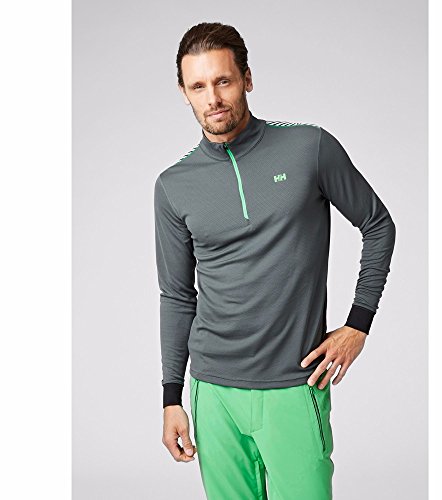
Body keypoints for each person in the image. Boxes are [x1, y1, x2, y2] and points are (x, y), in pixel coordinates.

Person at [154, 21, 396, 499]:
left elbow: (378, 224)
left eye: (223, 81)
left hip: (294, 383)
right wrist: (170, 397)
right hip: (213, 392)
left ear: (247, 78)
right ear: (184, 93)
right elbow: (177, 296)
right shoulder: (173, 185)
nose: (213, 98)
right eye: (198, 86)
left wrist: (358, 324)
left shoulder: (309, 147)